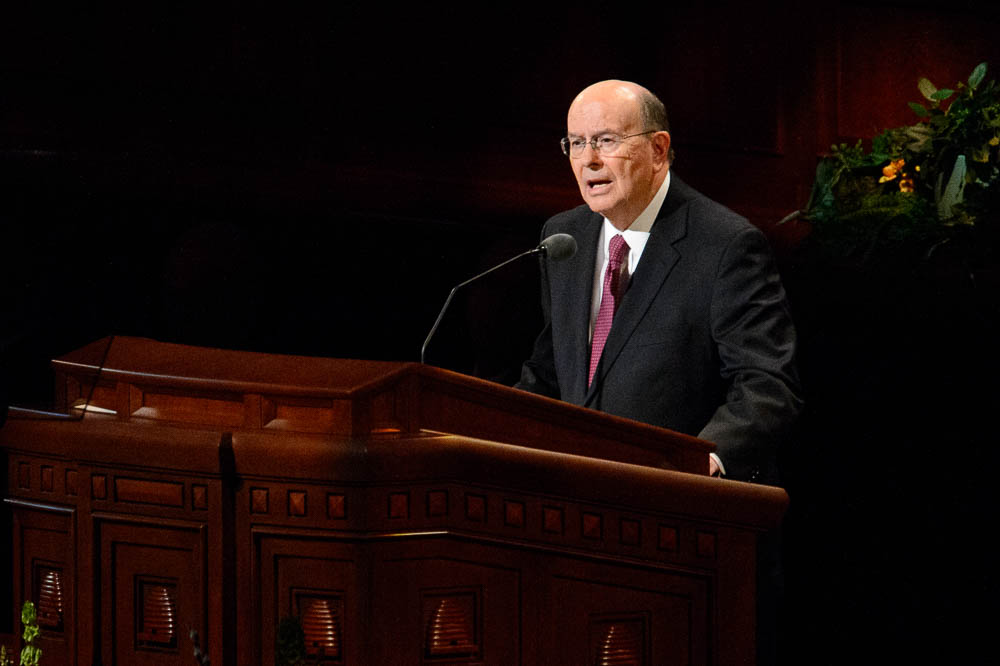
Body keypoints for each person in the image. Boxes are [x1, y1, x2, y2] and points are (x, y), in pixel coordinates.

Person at [515, 80, 802, 484]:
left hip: (674, 498)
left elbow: (766, 383)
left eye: (606, 140)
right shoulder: (565, 237)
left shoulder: (725, 245)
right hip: (577, 492)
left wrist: (701, 463)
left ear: (658, 149)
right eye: (576, 143)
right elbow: (550, 373)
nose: (589, 160)